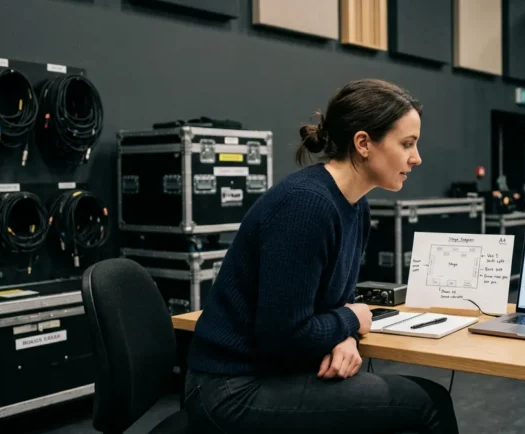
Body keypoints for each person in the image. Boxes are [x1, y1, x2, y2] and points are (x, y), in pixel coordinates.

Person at [182, 79, 459, 434]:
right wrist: (352, 319)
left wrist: (346, 334)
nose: (416, 157)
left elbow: (330, 306)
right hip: (230, 389)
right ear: (363, 143)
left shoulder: (355, 206)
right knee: (427, 404)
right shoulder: (307, 206)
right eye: (407, 144)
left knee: (411, 402)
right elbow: (284, 336)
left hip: (273, 371)